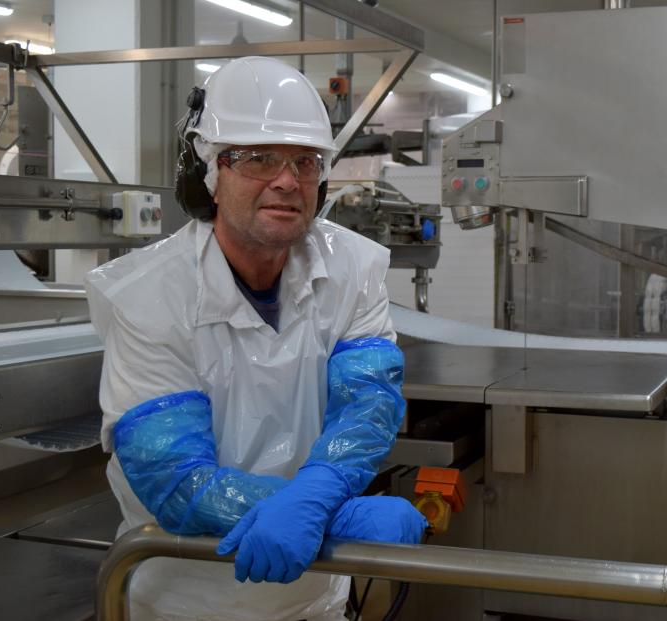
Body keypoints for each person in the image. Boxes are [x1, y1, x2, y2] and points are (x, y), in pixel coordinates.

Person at [85, 56, 427, 621]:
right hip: (184, 601)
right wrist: (335, 517)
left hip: (316, 597)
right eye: (258, 158)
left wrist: (313, 496)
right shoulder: (147, 295)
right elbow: (174, 479)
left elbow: (366, 406)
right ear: (210, 175)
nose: (288, 179)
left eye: (306, 161)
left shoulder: (354, 267)